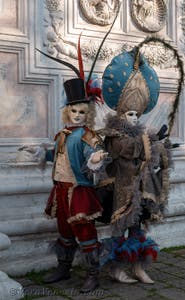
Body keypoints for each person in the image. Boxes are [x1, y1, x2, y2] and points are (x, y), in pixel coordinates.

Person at [98, 47, 171, 284]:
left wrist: (161, 145)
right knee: (120, 229)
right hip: (122, 190)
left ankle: (138, 267)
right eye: (130, 113)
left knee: (139, 229)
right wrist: (152, 140)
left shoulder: (142, 135)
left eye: (137, 114)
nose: (134, 118)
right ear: (120, 113)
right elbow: (126, 150)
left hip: (141, 189)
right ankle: (115, 269)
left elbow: (149, 154)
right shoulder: (112, 134)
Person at [41, 77, 107, 293]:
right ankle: (64, 267)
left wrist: (96, 158)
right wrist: (41, 153)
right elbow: (58, 156)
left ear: (88, 113)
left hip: (78, 191)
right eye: (74, 111)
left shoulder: (87, 135)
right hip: (60, 189)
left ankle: (92, 274)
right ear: (67, 111)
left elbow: (91, 155)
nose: (77, 115)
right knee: (64, 230)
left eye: (82, 112)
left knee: (85, 231)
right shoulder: (61, 135)